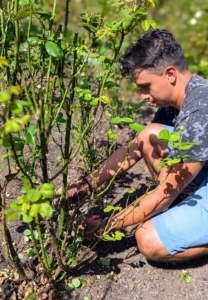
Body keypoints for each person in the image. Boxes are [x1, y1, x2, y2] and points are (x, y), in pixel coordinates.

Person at [65, 29, 208, 261]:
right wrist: (85, 186)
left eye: (145, 86)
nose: (141, 96)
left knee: (147, 239)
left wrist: (105, 227)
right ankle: (180, 219)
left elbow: (164, 194)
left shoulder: (201, 112)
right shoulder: (178, 97)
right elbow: (136, 147)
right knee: (150, 135)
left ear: (170, 74)